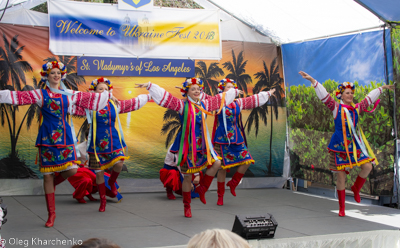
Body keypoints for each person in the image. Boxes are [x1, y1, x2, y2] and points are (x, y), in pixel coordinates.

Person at [0, 61, 111, 227]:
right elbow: (17, 97)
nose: (56, 75)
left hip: (65, 138)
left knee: (72, 169)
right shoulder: (39, 94)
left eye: (59, 73)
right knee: (47, 176)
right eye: (53, 73)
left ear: (62, 75)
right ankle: (51, 215)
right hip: (47, 139)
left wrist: (107, 97)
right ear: (47, 76)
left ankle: (55, 183)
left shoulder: (69, 95)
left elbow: (91, 99)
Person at [136, 79, 240, 217]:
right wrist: (150, 86)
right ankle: (187, 206)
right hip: (187, 144)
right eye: (193, 89)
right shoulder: (181, 105)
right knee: (187, 177)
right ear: (187, 92)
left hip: (202, 143)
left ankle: (202, 189)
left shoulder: (205, 104)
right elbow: (165, 97)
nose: (197, 91)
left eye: (198, 89)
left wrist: (234, 92)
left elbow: (221, 98)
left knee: (217, 162)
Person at [299, 71, 394, 217]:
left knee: (368, 166)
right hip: (339, 146)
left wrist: (382, 88)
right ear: (341, 95)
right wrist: (313, 81)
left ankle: (356, 188)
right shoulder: (336, 107)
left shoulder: (356, 108)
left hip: (354, 145)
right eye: (347, 93)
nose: (350, 95)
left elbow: (368, 99)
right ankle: (342, 207)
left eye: (351, 93)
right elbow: (324, 97)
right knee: (341, 176)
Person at [77, 77, 150, 212]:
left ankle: (111, 182)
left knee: (119, 163)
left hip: (113, 139)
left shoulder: (114, 104)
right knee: (99, 173)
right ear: (94, 91)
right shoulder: (89, 105)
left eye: (106, 89)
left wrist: (150, 95)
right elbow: (75, 101)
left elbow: (131, 103)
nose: (104, 91)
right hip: (96, 141)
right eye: (101, 89)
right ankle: (103, 201)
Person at [213, 78, 275, 205]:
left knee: (247, 161)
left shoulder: (238, 103)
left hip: (236, 137)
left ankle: (233, 183)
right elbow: (202, 100)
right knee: (222, 168)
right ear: (222, 90)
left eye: (232, 87)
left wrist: (268, 93)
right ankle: (220, 196)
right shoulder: (217, 101)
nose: (231, 89)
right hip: (222, 138)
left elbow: (253, 100)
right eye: (228, 87)